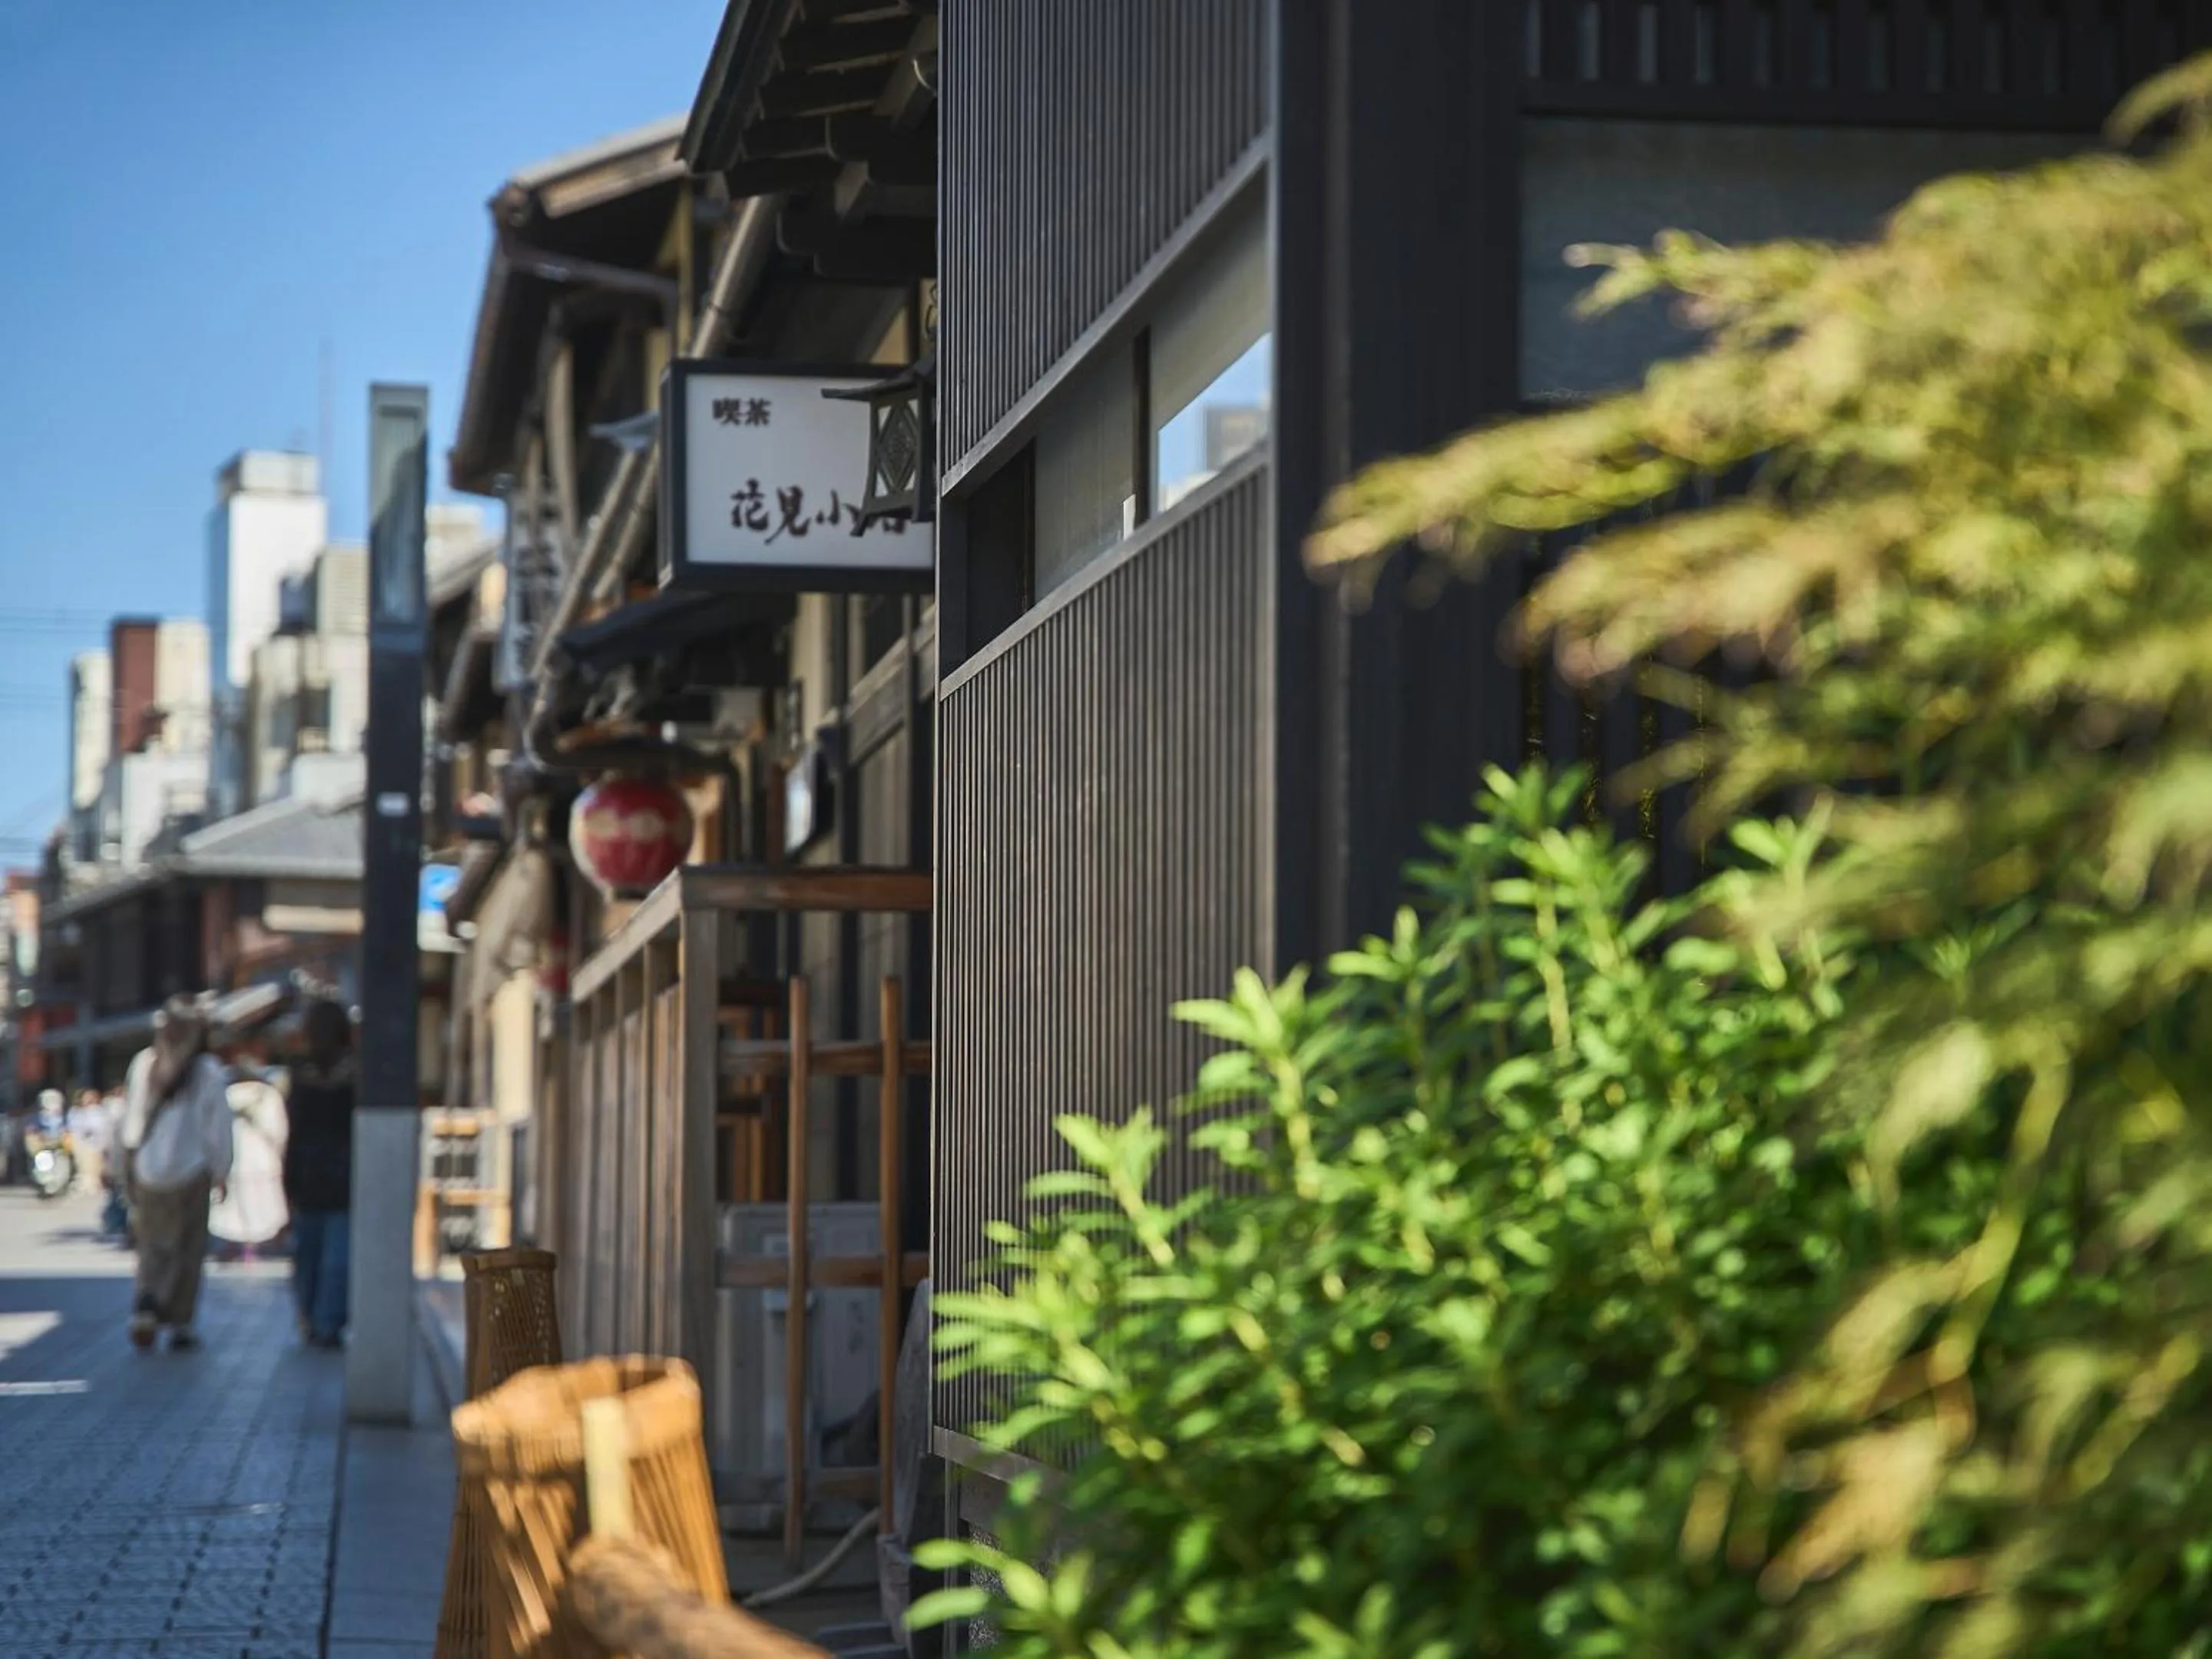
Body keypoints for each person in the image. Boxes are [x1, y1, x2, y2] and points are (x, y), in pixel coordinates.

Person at [119, 997, 233, 1352]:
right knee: (188, 1248)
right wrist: (222, 1169)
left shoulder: (144, 1063)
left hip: (148, 1171)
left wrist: (127, 1168)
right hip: (192, 1171)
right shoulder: (208, 1071)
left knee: (152, 1245)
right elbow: (218, 1129)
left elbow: (130, 1124)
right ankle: (181, 1323)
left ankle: (147, 1305)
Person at [283, 999, 355, 1350]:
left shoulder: (299, 1073)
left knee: (308, 1256)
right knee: (336, 1259)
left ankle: (311, 1318)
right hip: (344, 1178)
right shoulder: (356, 1074)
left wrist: (288, 1180)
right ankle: (328, 1323)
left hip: (307, 1175)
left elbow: (293, 1131)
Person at [209, 1036, 288, 1263]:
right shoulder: (269, 1096)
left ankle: (233, 1244)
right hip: (263, 1159)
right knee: (260, 1206)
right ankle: (251, 1248)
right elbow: (279, 1130)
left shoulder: (226, 1095)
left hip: (234, 1160)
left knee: (234, 1209)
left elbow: (217, 1130)